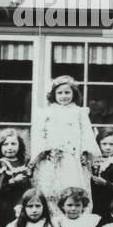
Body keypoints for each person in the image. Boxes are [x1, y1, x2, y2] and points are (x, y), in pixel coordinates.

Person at [32, 76, 99, 214]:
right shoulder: (47, 112)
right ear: (53, 95)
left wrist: (85, 153)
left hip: (73, 159)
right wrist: (45, 150)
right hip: (52, 158)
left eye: (67, 92)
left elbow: (86, 134)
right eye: (60, 93)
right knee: (51, 189)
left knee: (73, 187)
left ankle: (75, 218)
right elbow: (39, 133)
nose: (63, 96)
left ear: (74, 94)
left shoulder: (79, 113)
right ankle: (53, 221)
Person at [0, 128, 32, 227]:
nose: (10, 147)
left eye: (13, 144)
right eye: (5, 144)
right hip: (5, 204)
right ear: (0, 146)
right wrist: (14, 181)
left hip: (21, 201)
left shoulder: (22, 163)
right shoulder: (0, 164)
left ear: (19, 145)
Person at [89, 129, 113, 221]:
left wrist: (105, 183)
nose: (108, 147)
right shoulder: (95, 159)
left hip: (111, 202)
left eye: (112, 144)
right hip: (95, 201)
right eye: (104, 144)